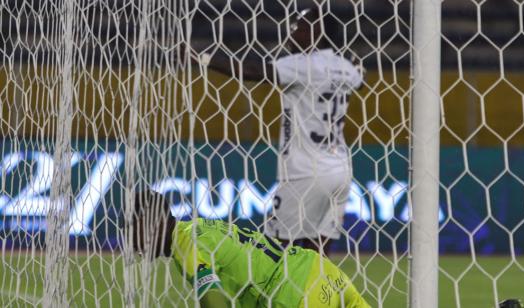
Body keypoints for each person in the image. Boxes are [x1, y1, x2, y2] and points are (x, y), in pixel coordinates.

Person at [197, 6, 363, 255]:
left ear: (318, 33)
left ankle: (270, 294)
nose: (292, 33)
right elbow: (360, 80)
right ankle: (315, 294)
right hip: (340, 169)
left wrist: (202, 58)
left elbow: (251, 71)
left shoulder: (302, 64)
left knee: (274, 251)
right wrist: (355, 64)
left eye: (300, 28)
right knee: (317, 253)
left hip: (305, 172)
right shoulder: (345, 67)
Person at [130, 189, 370, 308]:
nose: (131, 240)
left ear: (154, 222)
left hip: (294, 296)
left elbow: (211, 297)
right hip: (325, 273)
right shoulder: (195, 225)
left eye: (133, 229)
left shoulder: (184, 246)